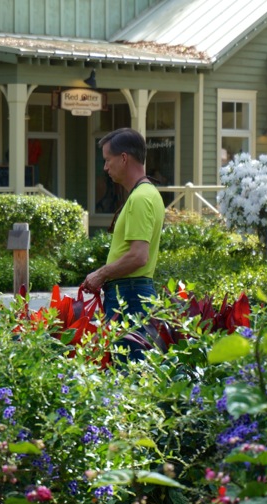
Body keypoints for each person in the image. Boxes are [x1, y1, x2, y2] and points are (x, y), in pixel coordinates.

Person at [82, 128, 165, 360]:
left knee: (129, 373)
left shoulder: (140, 198)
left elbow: (139, 256)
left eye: (108, 160)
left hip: (129, 295)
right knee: (133, 371)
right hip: (134, 293)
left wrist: (100, 274)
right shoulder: (147, 193)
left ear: (124, 158)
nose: (105, 168)